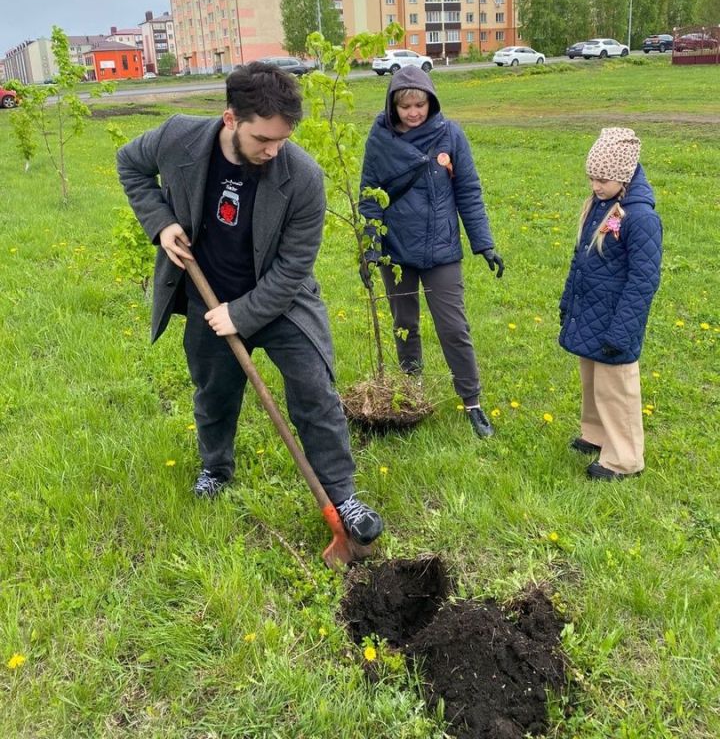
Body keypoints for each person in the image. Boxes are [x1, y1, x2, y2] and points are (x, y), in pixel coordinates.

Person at [117, 62, 383, 545]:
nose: (273, 149)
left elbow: (293, 267)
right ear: (230, 119)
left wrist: (240, 315)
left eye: (282, 139)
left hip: (280, 302)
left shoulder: (302, 176)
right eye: (264, 140)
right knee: (213, 393)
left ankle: (341, 494)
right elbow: (128, 164)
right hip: (207, 294)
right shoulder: (178, 139)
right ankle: (216, 468)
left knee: (315, 392)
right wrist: (160, 222)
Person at [358, 65, 504, 438]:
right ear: (393, 106)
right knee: (405, 325)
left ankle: (471, 401)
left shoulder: (450, 135)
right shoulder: (379, 141)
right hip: (397, 252)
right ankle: (411, 390)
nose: (413, 112)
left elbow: (469, 192)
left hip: (442, 251)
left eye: (419, 104)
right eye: (405, 105)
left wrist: (483, 244)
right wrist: (370, 249)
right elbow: (370, 199)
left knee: (453, 327)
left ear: (431, 101)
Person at [559, 127, 662, 480]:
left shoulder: (642, 218)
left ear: (624, 176)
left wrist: (623, 329)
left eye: (603, 179)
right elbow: (582, 259)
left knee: (616, 387)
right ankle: (596, 433)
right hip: (591, 312)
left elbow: (644, 279)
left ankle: (624, 458)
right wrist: (568, 301)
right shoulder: (603, 206)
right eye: (591, 177)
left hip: (618, 317)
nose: (595, 185)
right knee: (593, 379)